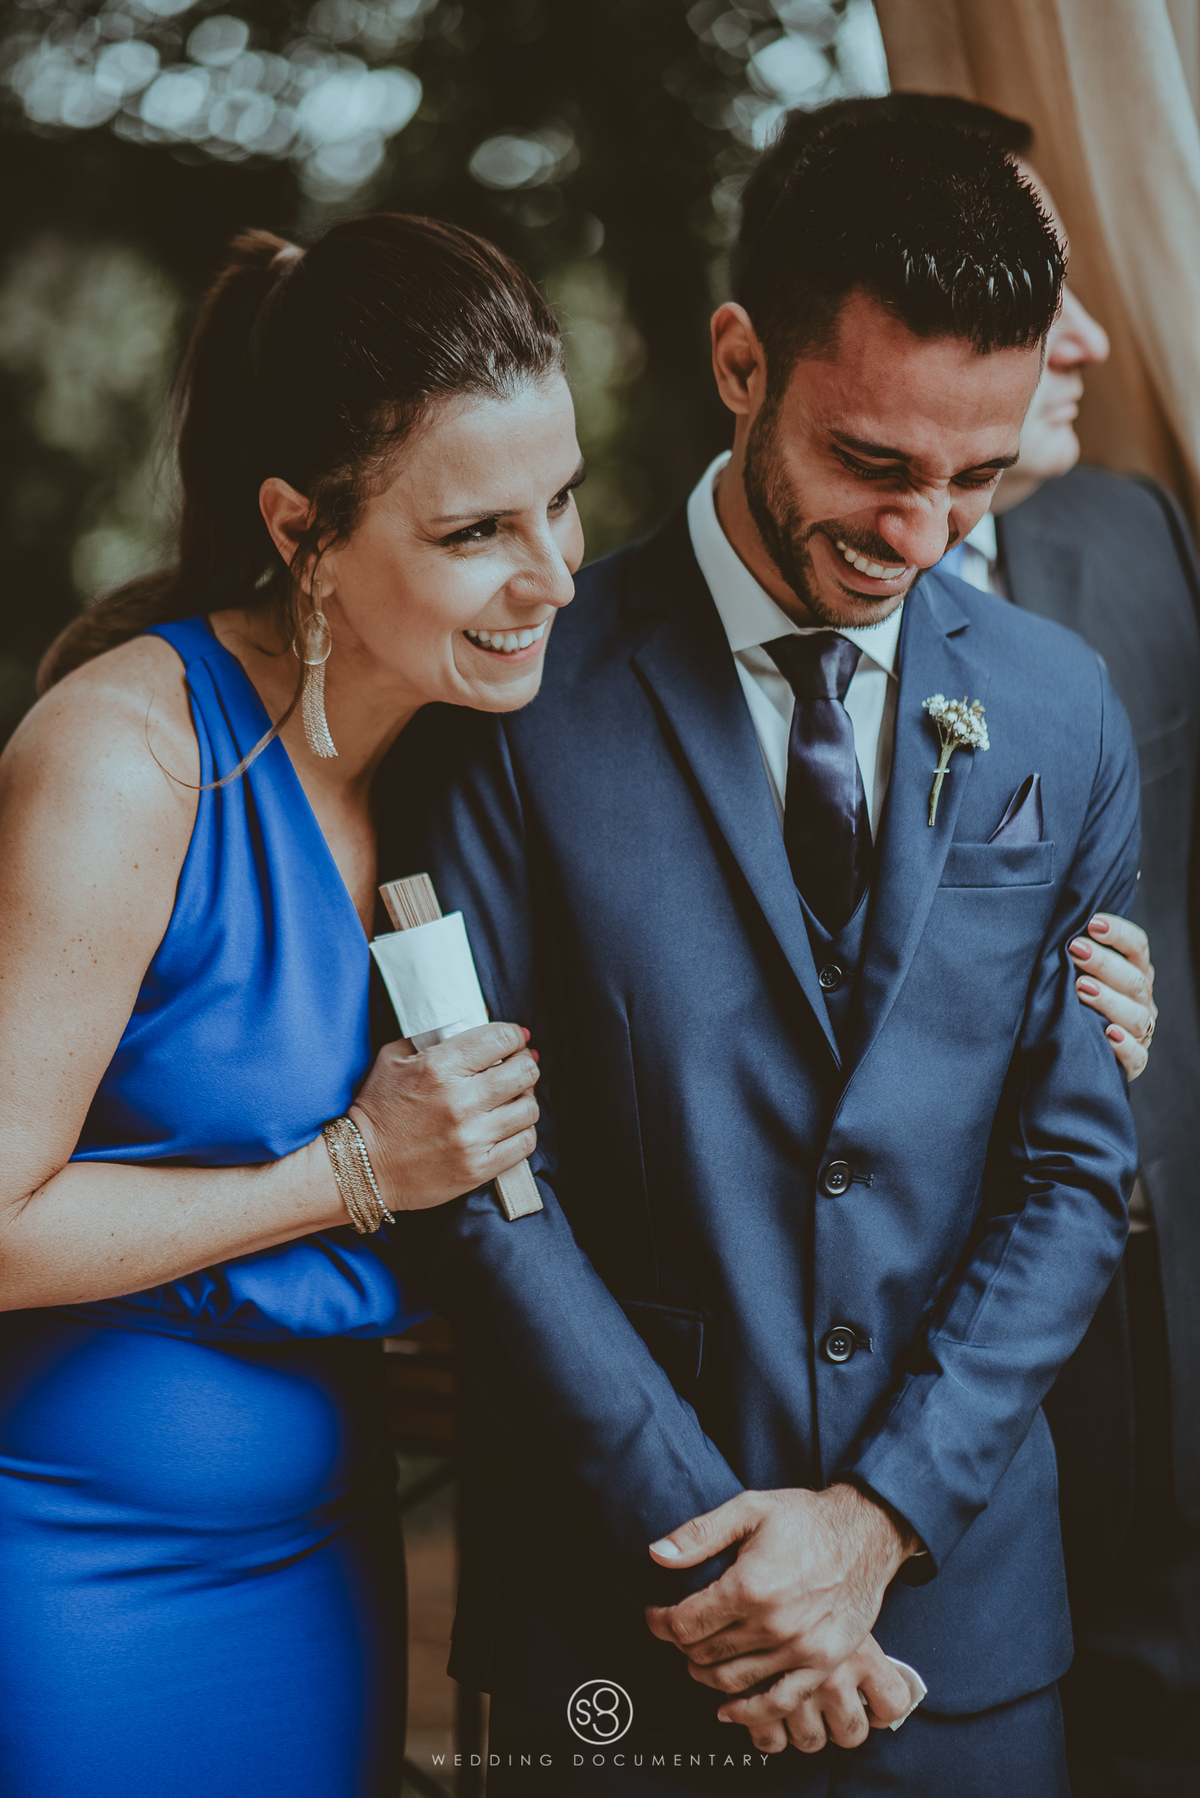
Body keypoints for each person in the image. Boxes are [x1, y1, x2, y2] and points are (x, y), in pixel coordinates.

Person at [385, 108, 1152, 1795]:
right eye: (875, 463)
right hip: (624, 1629)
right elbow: (483, 1190)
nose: (923, 532)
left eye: (977, 473)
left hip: (959, 1633)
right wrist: (731, 1565)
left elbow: (1075, 1173)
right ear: (742, 361)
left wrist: (877, 1525)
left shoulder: (1061, 709)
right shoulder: (512, 703)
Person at [0, 214, 560, 1796]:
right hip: (71, 1561)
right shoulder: (130, 756)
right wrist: (349, 1171)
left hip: (329, 1547)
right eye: (476, 533)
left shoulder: (468, 748)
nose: (552, 576)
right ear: (302, 529)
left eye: (563, 502)